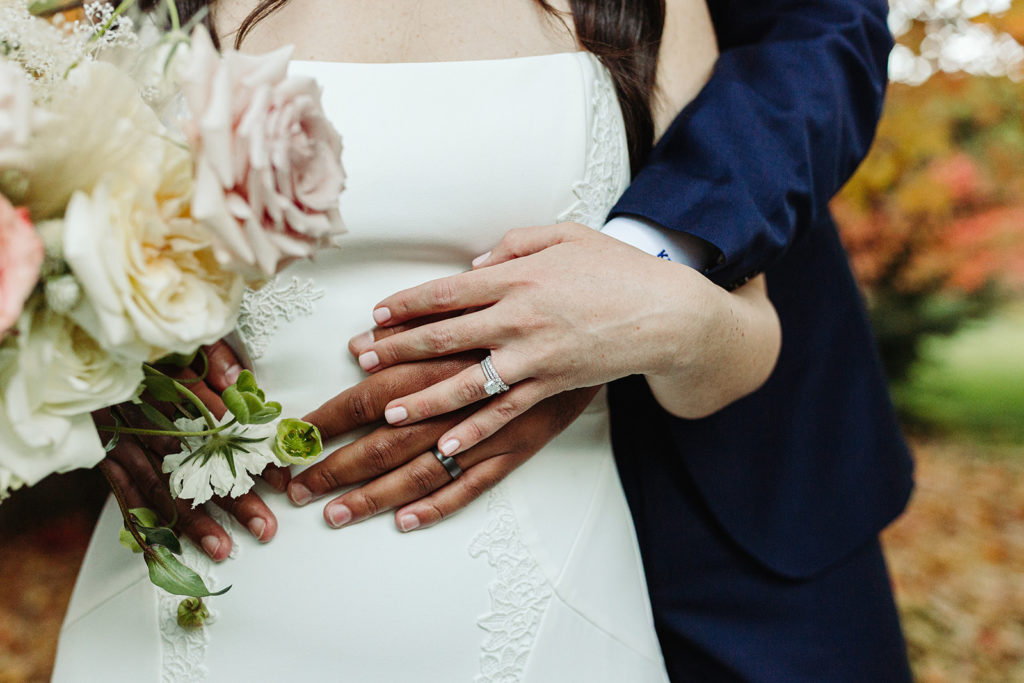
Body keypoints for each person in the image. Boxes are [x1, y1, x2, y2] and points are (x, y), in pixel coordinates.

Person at [54, 2, 785, 681]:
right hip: (185, 601)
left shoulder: (651, 6)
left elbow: (744, 338)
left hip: (541, 619)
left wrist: (636, 323)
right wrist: (87, 374)